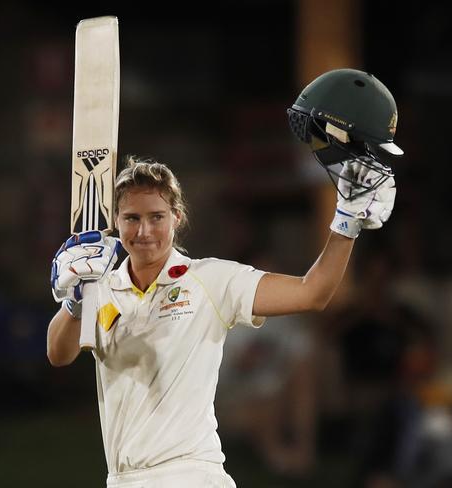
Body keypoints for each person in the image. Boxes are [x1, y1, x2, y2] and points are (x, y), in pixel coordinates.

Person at [46, 68, 401, 487]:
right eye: (132, 219)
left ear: (176, 218)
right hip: (124, 480)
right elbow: (59, 354)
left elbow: (313, 293)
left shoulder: (210, 281)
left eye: (156, 217)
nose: (144, 231)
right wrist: (73, 303)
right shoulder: (100, 288)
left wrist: (346, 225)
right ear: (116, 223)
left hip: (193, 475)